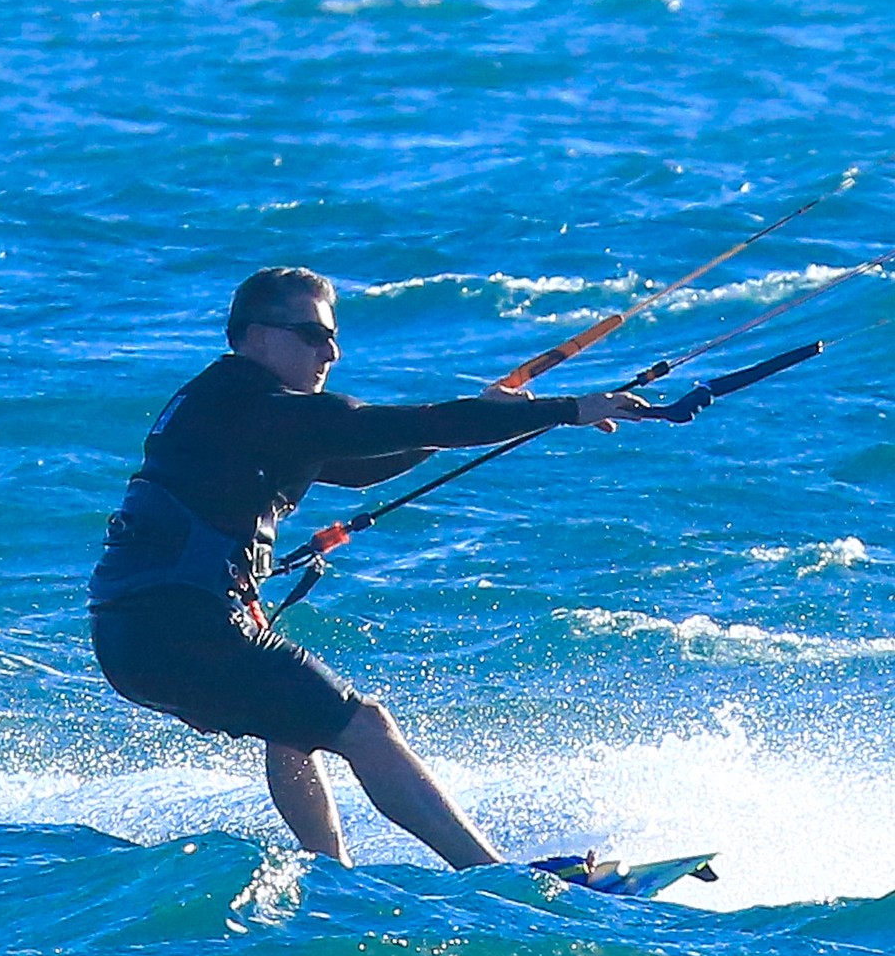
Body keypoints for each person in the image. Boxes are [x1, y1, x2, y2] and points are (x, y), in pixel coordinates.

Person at [89, 266, 648, 870]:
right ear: (253, 336)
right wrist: (566, 409)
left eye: (330, 336)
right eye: (310, 334)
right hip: (183, 626)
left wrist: (480, 421)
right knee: (366, 728)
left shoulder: (226, 407)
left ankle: (329, 875)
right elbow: (374, 427)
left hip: (139, 634)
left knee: (292, 728)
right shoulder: (251, 404)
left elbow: (360, 463)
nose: (329, 351)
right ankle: (494, 878)